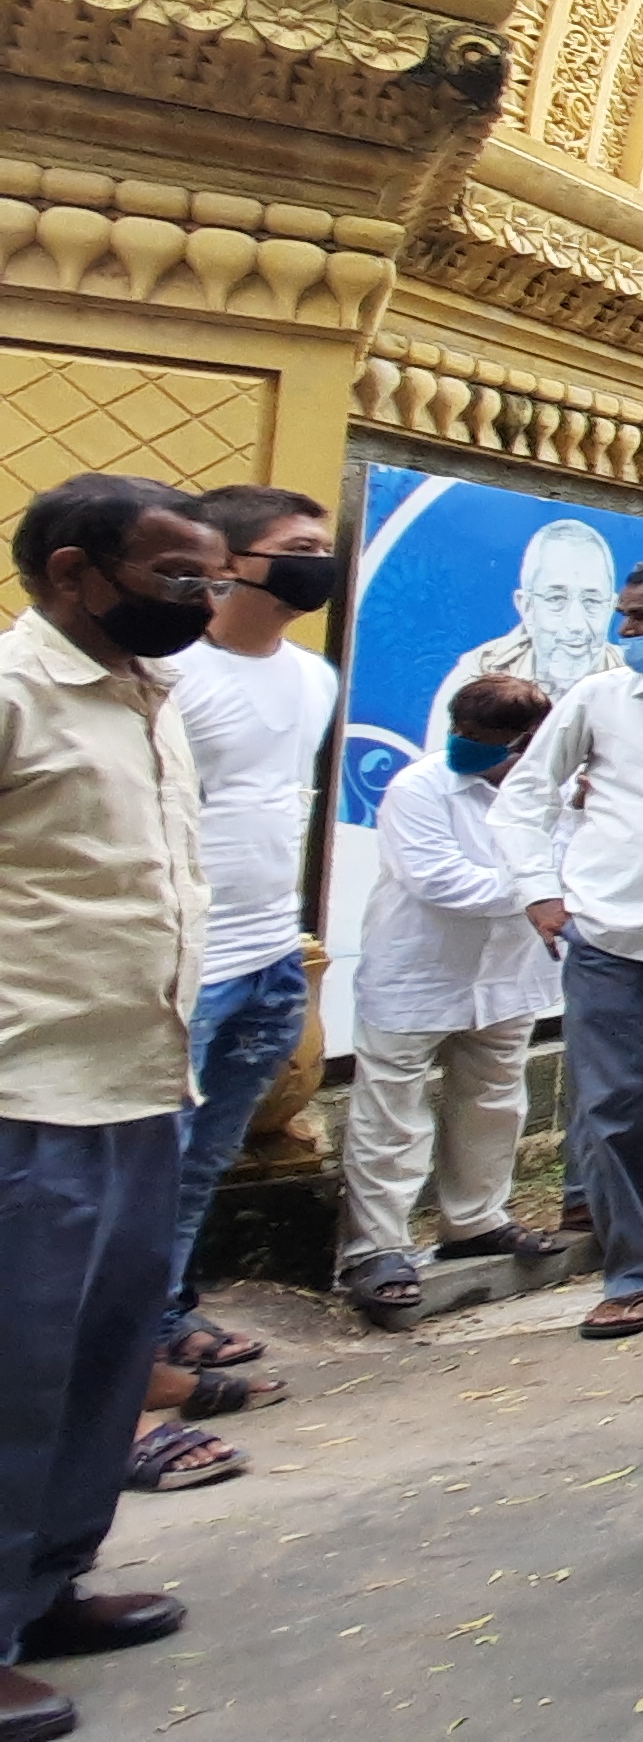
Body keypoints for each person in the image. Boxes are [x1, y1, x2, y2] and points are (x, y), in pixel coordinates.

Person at [3, 479, 238, 1728]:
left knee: (98, 1366)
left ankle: (46, 1585)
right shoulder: (14, 696)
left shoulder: (153, 703)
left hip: (138, 1084)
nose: (204, 601)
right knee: (11, 1372)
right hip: (24, 1088)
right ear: (76, 573)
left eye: (212, 580)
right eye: (178, 578)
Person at [495, 551, 643, 1341]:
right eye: (626, 615)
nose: (627, 630)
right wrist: (540, 892)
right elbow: (526, 796)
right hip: (613, 932)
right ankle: (636, 1270)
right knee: (617, 1107)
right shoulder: (602, 699)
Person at [152, 485, 344, 1370]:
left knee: (205, 1159)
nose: (319, 558)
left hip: (270, 955)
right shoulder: (170, 674)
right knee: (156, 1159)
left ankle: (169, 1311)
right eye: (298, 544)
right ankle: (131, 1337)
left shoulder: (312, 676)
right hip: (183, 962)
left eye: (323, 542)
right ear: (229, 563)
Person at [339, 675, 567, 1327]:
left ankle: (475, 1220)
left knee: (495, 1098)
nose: (464, 746)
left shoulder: (550, 795)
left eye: (483, 740)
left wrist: (548, 890)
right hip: (418, 970)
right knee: (391, 1112)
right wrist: (537, 892)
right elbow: (440, 880)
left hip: (507, 975)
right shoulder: (421, 787)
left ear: (527, 744)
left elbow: (572, 863)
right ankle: (377, 1247)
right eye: (460, 734)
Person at [426, 516, 617, 749]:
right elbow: (443, 772)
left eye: (592, 601)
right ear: (526, 606)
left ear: (610, 608)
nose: (576, 624)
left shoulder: (635, 682)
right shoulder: (477, 677)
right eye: (556, 599)